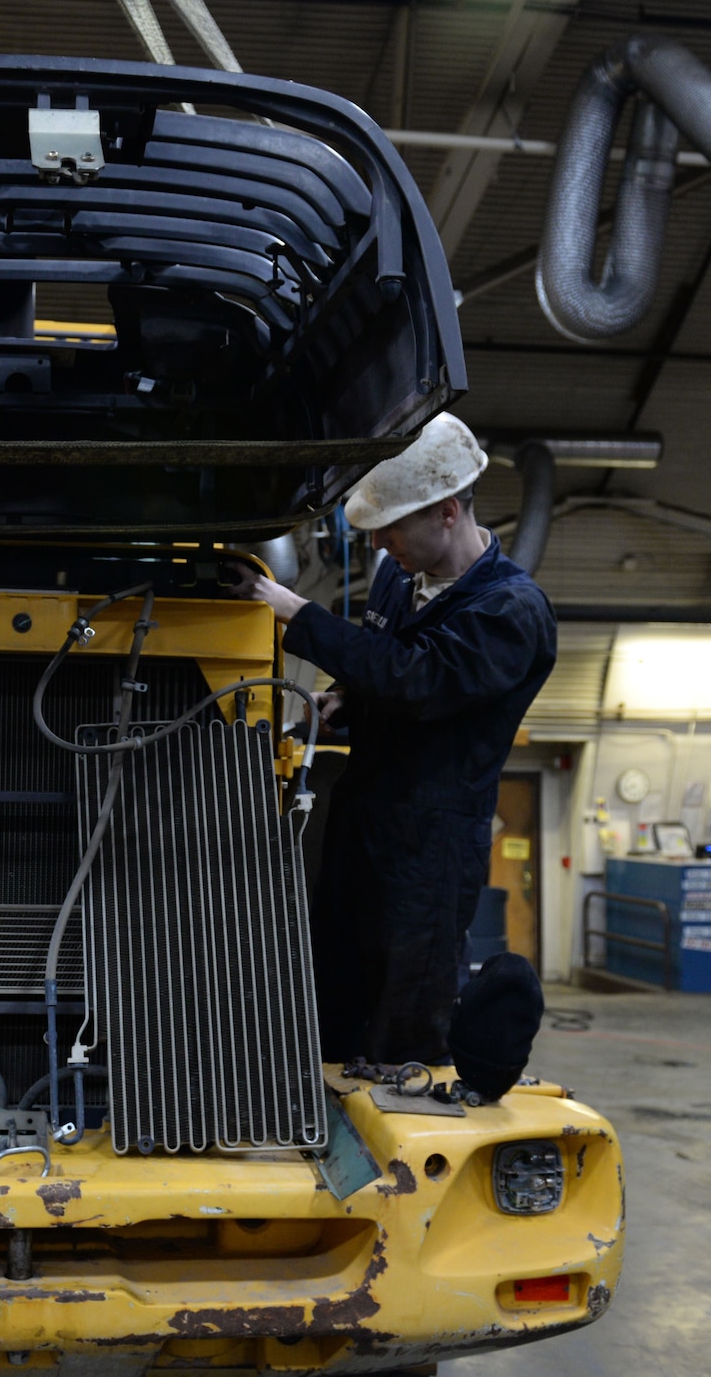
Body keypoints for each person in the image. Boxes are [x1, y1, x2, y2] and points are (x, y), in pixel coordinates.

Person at [232, 412, 555, 1066]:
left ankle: (396, 1135)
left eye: (393, 525)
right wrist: (343, 701)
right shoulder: (398, 576)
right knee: (332, 988)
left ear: (446, 511)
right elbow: (384, 663)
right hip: (364, 821)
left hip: (429, 852)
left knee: (402, 1010)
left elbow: (419, 679)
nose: (380, 541)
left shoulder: (508, 613)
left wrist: (298, 613)